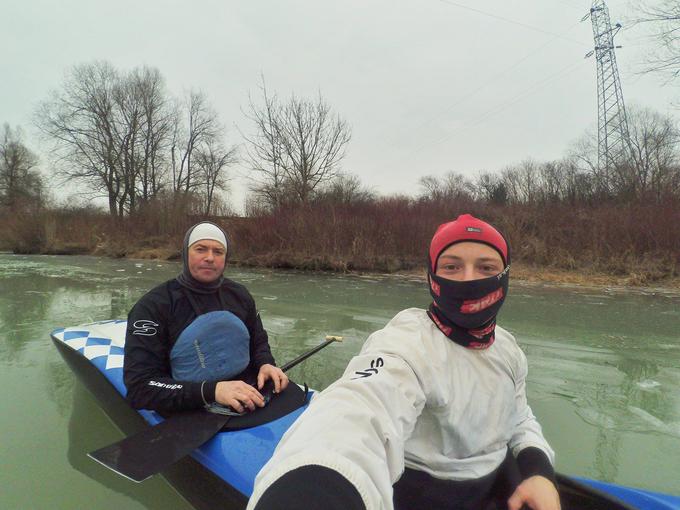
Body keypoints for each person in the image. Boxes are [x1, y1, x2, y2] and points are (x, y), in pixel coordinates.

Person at [247, 214, 560, 510]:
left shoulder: (508, 347)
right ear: (432, 277)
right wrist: (312, 488)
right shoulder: (407, 344)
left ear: (505, 276)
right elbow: (357, 414)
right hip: (428, 496)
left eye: (486, 267)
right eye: (451, 267)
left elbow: (518, 416)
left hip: (501, 484)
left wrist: (539, 471)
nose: (468, 280)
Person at [123, 221, 288, 414]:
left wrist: (265, 363)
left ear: (226, 258)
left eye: (218, 252)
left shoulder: (240, 295)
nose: (210, 258)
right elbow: (140, 387)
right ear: (186, 253)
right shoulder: (152, 306)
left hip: (248, 390)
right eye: (201, 249)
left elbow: (258, 340)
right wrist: (212, 391)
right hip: (187, 402)